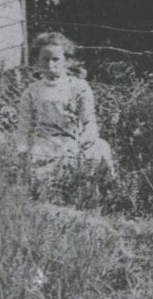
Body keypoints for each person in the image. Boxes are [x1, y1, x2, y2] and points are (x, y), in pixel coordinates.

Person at [17, 32, 117, 193]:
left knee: (100, 148)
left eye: (56, 59)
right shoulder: (31, 91)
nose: (50, 65)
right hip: (45, 143)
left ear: (67, 61)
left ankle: (105, 193)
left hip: (73, 140)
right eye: (45, 59)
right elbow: (24, 127)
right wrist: (22, 152)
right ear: (37, 61)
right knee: (41, 178)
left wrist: (87, 139)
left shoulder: (79, 87)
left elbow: (88, 120)